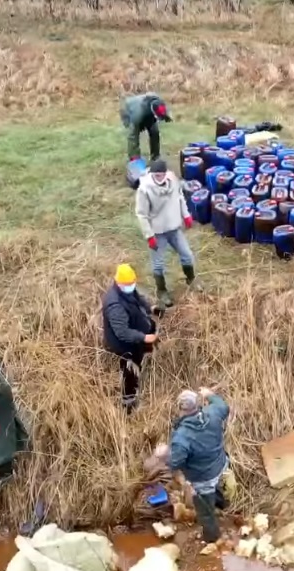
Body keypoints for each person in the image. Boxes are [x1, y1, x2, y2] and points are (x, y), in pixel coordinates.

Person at [154, 389, 232, 544]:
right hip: (220, 465)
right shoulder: (212, 413)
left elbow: (175, 462)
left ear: (180, 408)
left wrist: (164, 455)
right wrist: (210, 394)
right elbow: (224, 406)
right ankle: (221, 504)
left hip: (202, 479)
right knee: (215, 485)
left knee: (205, 514)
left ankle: (212, 539)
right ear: (199, 404)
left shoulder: (182, 436)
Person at [136, 158, 197, 309]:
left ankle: (191, 279)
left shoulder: (173, 181)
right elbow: (142, 214)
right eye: (157, 175)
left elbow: (180, 197)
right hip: (158, 233)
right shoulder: (144, 190)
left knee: (187, 254)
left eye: (162, 174)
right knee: (158, 264)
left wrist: (186, 215)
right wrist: (149, 235)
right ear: (152, 174)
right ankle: (162, 291)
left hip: (174, 228)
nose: (160, 177)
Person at [101, 263, 158, 414]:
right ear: (119, 282)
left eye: (133, 283)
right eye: (128, 284)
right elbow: (122, 333)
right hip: (124, 345)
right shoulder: (115, 305)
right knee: (130, 371)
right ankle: (129, 403)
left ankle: (145, 359)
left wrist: (150, 308)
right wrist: (144, 337)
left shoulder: (126, 289)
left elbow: (138, 298)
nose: (131, 286)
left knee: (149, 332)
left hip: (137, 332)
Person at [120, 92, 172, 162]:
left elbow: (163, 112)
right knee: (134, 133)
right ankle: (134, 158)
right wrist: (134, 157)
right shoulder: (138, 114)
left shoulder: (158, 101)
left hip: (147, 111)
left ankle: (155, 157)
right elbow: (133, 136)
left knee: (154, 131)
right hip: (128, 111)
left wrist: (166, 117)